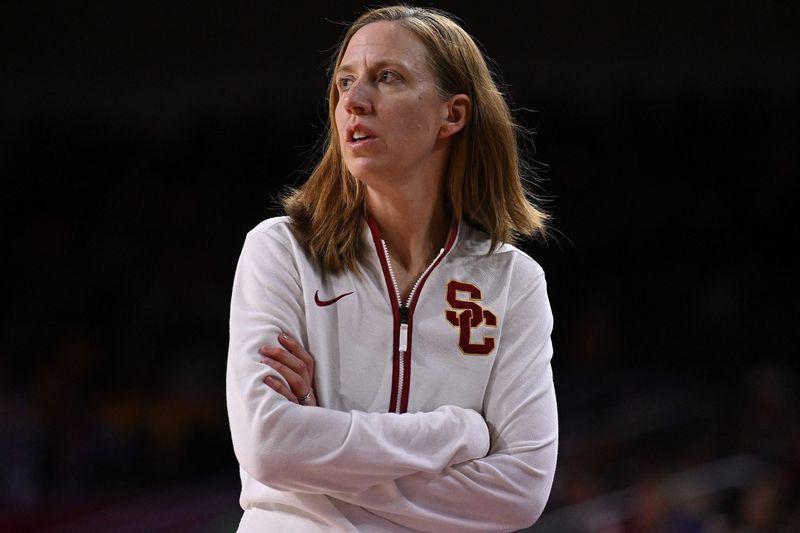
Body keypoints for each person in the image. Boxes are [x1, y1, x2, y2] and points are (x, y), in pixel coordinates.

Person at [226, 5, 558, 532]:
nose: (355, 101)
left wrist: (321, 455)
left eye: (387, 77)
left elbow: (520, 491)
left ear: (453, 114)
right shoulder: (280, 251)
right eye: (344, 83)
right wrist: (460, 434)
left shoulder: (513, 283)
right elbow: (269, 448)